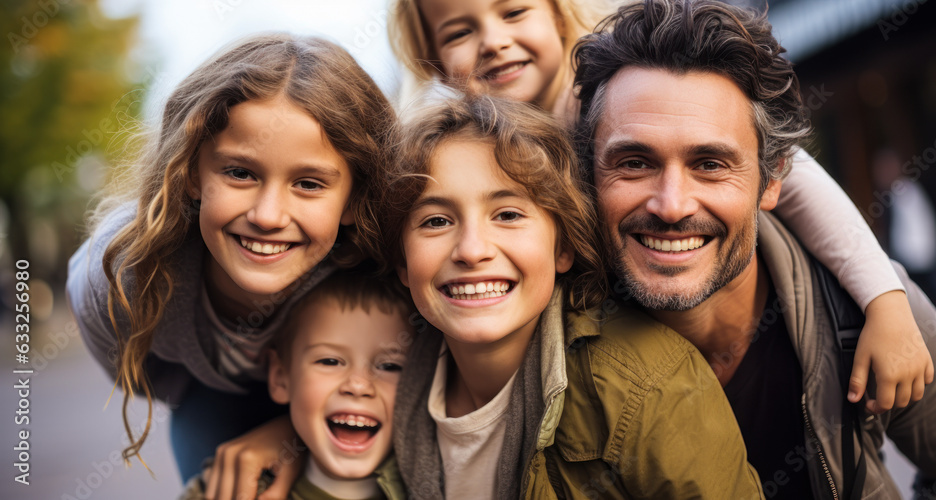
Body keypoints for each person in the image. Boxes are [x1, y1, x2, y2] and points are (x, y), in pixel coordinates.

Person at [387, 0, 934, 416]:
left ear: (558, 17)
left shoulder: (610, 99)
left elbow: (802, 184)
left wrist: (884, 299)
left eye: (514, 12)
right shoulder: (458, 153)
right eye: (460, 30)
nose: (494, 41)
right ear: (432, 60)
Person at [571, 1, 936, 498]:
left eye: (709, 164)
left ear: (772, 179)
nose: (671, 205)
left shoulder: (868, 312)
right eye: (634, 162)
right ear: (589, 174)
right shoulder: (546, 342)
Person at [380, 94, 762, 499]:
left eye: (508, 214)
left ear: (563, 246)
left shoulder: (649, 386)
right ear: (403, 262)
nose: (472, 250)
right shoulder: (386, 380)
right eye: (436, 221)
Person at [64, 32, 397, 497]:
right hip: (210, 398)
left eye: (308, 184)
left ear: (353, 199)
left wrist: (291, 430)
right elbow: (143, 375)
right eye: (240, 173)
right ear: (191, 173)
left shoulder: (370, 266)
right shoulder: (123, 274)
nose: (267, 216)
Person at [179, 272, 411, 500]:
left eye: (390, 366)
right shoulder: (225, 490)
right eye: (329, 361)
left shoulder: (437, 484)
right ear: (280, 377)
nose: (358, 385)